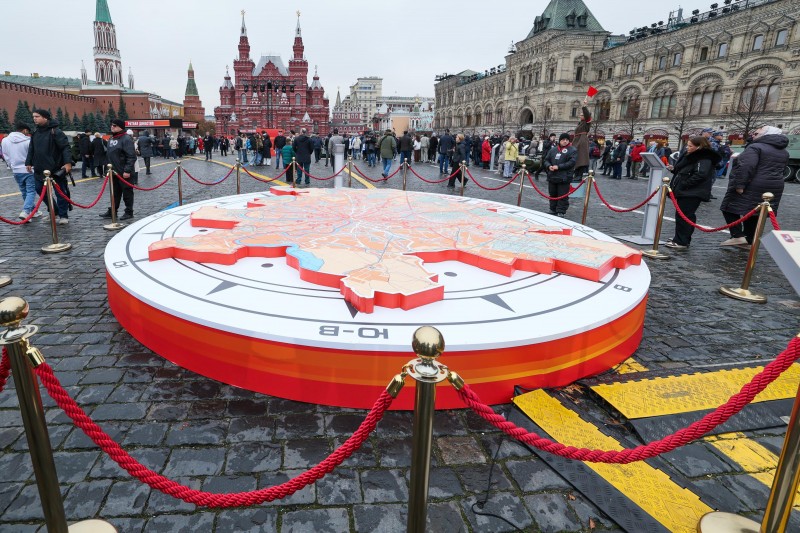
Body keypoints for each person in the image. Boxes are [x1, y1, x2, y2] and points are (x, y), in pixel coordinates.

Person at [719, 125, 788, 249]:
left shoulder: (755, 147)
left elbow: (746, 167)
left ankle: (737, 236)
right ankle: (749, 240)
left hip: (753, 184)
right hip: (774, 185)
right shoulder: (783, 151)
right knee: (754, 212)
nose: (752, 135)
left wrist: (739, 185)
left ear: (766, 135)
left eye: (756, 134)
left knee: (728, 207)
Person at [663, 136, 720, 250]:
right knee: (682, 216)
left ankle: (682, 241)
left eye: (690, 146)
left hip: (692, 192)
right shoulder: (693, 157)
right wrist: (674, 170)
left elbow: (700, 174)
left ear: (699, 147)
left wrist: (684, 184)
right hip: (687, 191)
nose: (687, 148)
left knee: (685, 216)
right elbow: (685, 170)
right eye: (687, 145)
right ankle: (680, 238)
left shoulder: (704, 158)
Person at [25, 109, 73, 225]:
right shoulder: (35, 132)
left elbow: (65, 148)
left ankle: (63, 215)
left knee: (60, 193)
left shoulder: (56, 131)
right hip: (39, 169)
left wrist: (68, 163)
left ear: (45, 118)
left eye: (37, 116)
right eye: (34, 116)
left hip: (55, 168)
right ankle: (54, 211)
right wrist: (28, 162)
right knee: (40, 190)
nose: (34, 118)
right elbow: (32, 148)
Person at [2, 122, 41, 220]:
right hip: (29, 169)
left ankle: (34, 211)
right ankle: (26, 211)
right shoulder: (28, 141)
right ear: (24, 130)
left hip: (16, 170)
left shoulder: (5, 140)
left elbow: (5, 155)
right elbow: (34, 155)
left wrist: (11, 165)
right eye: (27, 132)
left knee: (24, 191)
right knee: (31, 191)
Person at [100, 119, 137, 221]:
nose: (112, 127)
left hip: (123, 171)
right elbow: (109, 156)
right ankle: (113, 210)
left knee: (127, 193)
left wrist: (127, 170)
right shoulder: (111, 138)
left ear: (120, 127)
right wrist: (107, 170)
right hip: (113, 171)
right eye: (111, 125)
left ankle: (129, 211)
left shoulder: (126, 139)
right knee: (114, 193)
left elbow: (131, 156)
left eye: (115, 125)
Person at [543, 133, 577, 217]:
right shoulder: (553, 150)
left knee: (562, 195)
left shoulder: (572, 150)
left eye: (567, 140)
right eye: (563, 140)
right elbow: (546, 160)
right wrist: (549, 166)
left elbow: (571, 162)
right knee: (553, 193)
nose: (565, 141)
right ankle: (552, 209)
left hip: (564, 177)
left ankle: (561, 211)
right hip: (552, 176)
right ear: (560, 140)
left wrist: (559, 167)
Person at [572, 98, 592, 180]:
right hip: (577, 140)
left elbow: (587, 115)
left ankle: (579, 175)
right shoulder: (580, 123)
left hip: (582, 141)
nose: (580, 116)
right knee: (576, 157)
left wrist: (584, 106)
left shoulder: (587, 122)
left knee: (581, 158)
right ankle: (576, 173)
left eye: (582, 115)